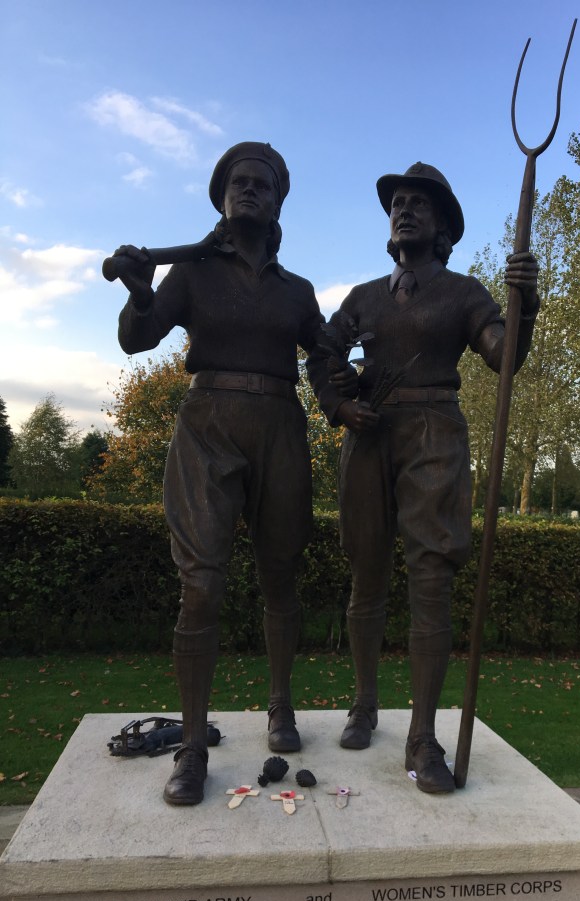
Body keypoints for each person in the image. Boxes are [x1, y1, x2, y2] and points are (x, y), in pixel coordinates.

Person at [114, 142, 351, 806]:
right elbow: (138, 339)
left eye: (262, 184)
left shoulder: (296, 292)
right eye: (237, 182)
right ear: (221, 198)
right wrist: (139, 292)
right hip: (207, 427)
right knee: (201, 587)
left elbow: (326, 355)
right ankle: (191, 746)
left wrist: (346, 383)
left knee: (281, 576)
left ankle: (280, 706)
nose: (249, 190)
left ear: (277, 202)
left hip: (278, 426)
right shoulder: (190, 275)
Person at [308, 162, 539, 794]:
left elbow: (504, 357)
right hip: (369, 437)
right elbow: (321, 352)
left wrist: (527, 303)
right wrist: (337, 404)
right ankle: (364, 701)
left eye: (419, 205)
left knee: (431, 579)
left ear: (442, 228)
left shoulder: (465, 292)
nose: (403, 211)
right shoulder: (362, 297)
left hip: (435, 433)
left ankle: (423, 736)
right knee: (367, 575)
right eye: (397, 203)